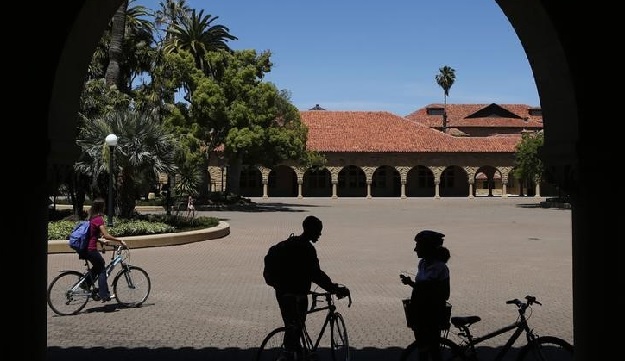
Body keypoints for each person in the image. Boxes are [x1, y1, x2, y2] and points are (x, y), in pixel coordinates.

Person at [264, 215, 350, 360]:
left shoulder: (290, 242)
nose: (319, 234)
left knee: (292, 326)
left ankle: (293, 351)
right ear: (312, 231)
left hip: (282, 292)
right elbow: (316, 274)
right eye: (318, 231)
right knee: (296, 326)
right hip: (297, 295)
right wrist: (334, 288)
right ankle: (288, 354)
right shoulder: (307, 249)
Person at [400, 230, 451, 361]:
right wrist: (410, 282)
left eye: (418, 246)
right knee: (422, 350)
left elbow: (445, 294)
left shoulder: (441, 268)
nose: (415, 249)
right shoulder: (422, 264)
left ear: (428, 248)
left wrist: (425, 288)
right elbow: (421, 287)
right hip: (418, 313)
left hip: (432, 315)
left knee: (433, 350)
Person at [82, 197, 127, 302]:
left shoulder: (91, 218)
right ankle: (104, 294)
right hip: (91, 249)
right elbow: (106, 235)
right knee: (102, 268)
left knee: (97, 267)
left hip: (86, 248)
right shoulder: (98, 219)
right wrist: (119, 240)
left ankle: (86, 283)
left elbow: (92, 235)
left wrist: (100, 241)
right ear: (102, 207)